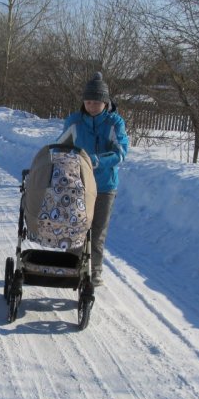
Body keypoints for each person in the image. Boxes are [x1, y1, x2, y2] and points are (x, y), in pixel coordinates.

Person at [57, 72, 129, 286]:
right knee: (75, 225)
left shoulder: (114, 123)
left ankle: (95, 270)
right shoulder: (74, 121)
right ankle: (72, 264)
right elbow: (60, 147)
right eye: (88, 101)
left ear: (105, 102)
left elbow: (121, 152)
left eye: (96, 102)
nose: (91, 106)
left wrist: (96, 161)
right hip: (77, 183)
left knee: (97, 230)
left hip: (105, 185)